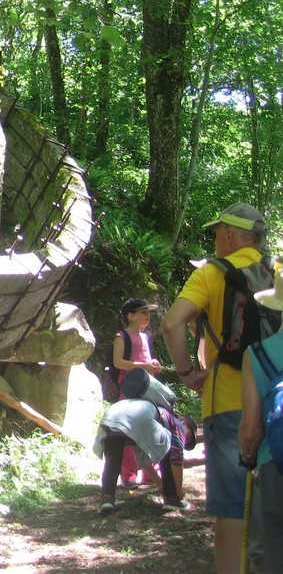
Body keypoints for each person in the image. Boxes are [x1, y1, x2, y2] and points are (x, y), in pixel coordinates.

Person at [162, 203, 268, 574]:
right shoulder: (278, 273)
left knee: (232, 510)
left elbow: (172, 324)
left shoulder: (212, 274)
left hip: (227, 401)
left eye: (217, 234)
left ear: (229, 235)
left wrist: (188, 371)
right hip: (276, 400)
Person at [93, 368, 197, 515]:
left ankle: (107, 500)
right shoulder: (176, 423)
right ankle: (172, 501)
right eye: (189, 438)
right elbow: (176, 460)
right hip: (134, 419)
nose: (185, 442)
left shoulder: (146, 414)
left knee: (112, 461)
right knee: (167, 450)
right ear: (185, 423)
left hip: (112, 414)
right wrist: (177, 491)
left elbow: (143, 461)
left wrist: (161, 486)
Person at [238, 264, 283, 574]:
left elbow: (252, 429)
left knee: (272, 552)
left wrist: (247, 455)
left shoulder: (257, 353)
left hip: (274, 465)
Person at [114, 298, 163, 487]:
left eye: (148, 312)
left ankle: (151, 472)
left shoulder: (146, 337)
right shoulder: (121, 337)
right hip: (129, 389)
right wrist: (143, 365)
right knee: (129, 429)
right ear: (130, 316)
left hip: (147, 388)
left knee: (151, 428)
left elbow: (147, 359)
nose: (147, 316)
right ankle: (128, 474)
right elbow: (118, 362)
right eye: (143, 312)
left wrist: (154, 365)